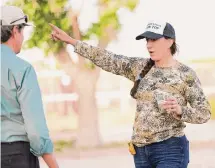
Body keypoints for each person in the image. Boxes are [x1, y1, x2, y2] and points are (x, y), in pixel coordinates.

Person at [49, 20, 211, 168]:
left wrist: (181, 110)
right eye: (147, 40)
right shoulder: (140, 66)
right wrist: (72, 42)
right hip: (140, 151)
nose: (149, 45)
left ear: (170, 41)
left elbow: (204, 113)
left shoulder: (185, 74)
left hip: (170, 149)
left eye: (154, 40)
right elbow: (108, 58)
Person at [1, 5, 59, 168]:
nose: (23, 38)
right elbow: (35, 129)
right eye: (23, 31)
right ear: (14, 31)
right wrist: (53, 165)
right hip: (17, 155)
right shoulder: (22, 69)